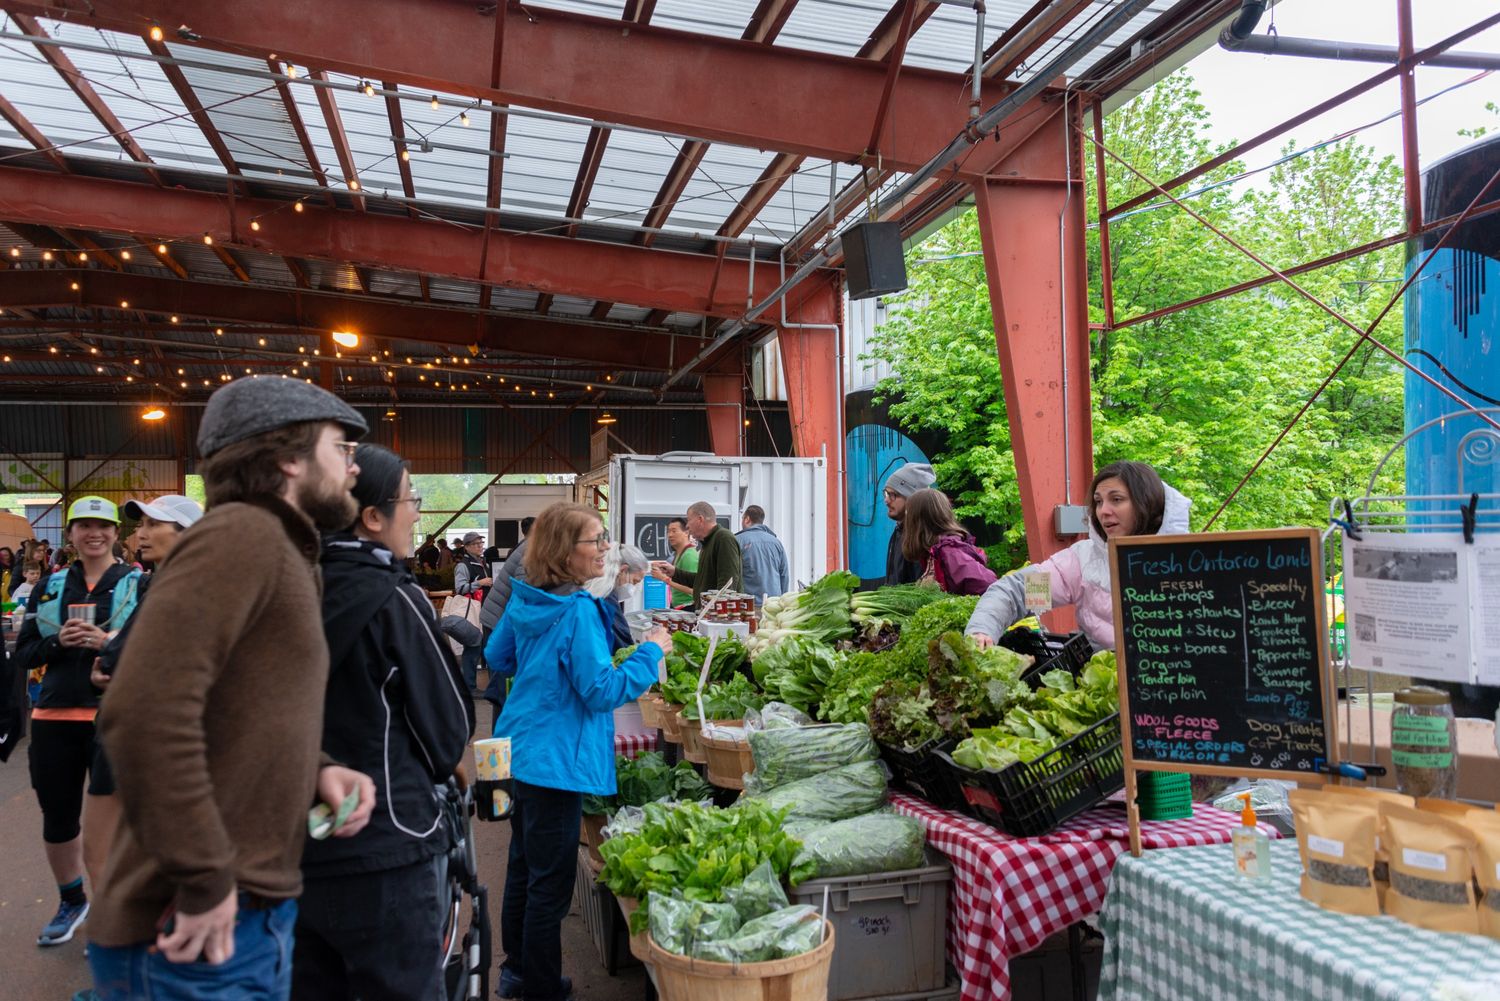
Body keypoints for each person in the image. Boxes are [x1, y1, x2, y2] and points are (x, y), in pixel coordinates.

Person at [86, 377, 377, 1001]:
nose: (353, 469)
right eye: (340, 448)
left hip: (242, 918)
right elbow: (141, 711)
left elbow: (239, 707)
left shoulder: (280, 548)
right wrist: (204, 878)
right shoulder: (242, 535)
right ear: (287, 458)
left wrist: (318, 768)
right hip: (195, 934)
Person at [292, 444, 473, 1001]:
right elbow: (447, 733)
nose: (416, 512)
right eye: (410, 499)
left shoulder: (286, 587)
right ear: (374, 517)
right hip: (389, 845)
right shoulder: (393, 598)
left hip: (293, 848)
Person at [485, 503, 670, 1001]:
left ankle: (518, 974)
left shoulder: (527, 598)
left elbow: (497, 656)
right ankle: (542, 989)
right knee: (550, 883)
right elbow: (601, 690)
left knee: (524, 868)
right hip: (556, 760)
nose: (605, 548)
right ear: (567, 552)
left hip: (518, 748)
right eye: (597, 539)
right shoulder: (578, 611)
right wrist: (653, 651)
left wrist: (541, 674)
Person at [13, 496, 143, 949]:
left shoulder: (136, 585)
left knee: (123, 821)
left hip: (115, 716)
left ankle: (116, 912)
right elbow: (24, 652)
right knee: (59, 816)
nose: (95, 533)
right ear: (68, 534)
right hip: (53, 715)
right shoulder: (47, 587)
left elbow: (155, 651)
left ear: (116, 534)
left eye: (103, 526)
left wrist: (109, 641)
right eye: (84, 525)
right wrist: (56, 645)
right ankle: (72, 900)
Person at [966, 461, 1191, 652]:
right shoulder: (1083, 561)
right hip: (1102, 692)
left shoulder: (1192, 560)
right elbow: (1018, 593)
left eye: (1117, 499)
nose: (1103, 511)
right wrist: (982, 631)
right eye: (1099, 501)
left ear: (1147, 503)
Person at [901, 489, 996, 596]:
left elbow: (990, 587)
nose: (905, 517)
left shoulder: (950, 553)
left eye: (908, 512)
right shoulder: (933, 552)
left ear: (919, 519)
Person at [651, 501, 742, 608]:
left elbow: (727, 585)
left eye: (689, 520)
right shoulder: (707, 543)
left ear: (700, 519)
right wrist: (674, 572)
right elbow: (701, 581)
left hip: (718, 618)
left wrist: (716, 617)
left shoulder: (724, 539)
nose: (688, 526)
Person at [586, 543, 649, 650]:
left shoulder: (592, 590)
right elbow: (623, 648)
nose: (633, 587)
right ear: (623, 570)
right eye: (634, 581)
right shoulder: (606, 599)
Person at [479, 516, 535, 635]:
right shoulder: (531, 548)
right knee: (494, 653)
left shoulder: (522, 546)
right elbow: (524, 589)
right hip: (497, 618)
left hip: (498, 615)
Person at [453, 531, 493, 695]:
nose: (480, 546)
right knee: (473, 648)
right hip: (473, 612)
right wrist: (480, 583)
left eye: (481, 543)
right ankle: (468, 687)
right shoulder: (463, 565)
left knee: (483, 647)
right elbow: (460, 588)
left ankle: (479, 686)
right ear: (467, 547)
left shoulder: (483, 563)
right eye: (476, 544)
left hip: (484, 611)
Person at [883, 463, 936, 585]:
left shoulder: (923, 537)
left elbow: (920, 593)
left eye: (892, 495)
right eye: (886, 493)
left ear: (911, 498)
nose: (886, 500)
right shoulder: (899, 531)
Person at [735, 505, 789, 604]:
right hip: (773, 604)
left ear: (747, 519)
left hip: (748, 605)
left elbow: (733, 574)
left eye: (742, 518)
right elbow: (784, 574)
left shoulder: (738, 540)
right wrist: (782, 601)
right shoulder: (776, 542)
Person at [664, 516, 697, 610]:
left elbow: (694, 591)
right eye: (668, 531)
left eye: (674, 531)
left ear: (686, 532)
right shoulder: (679, 553)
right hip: (678, 607)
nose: (670, 535)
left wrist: (665, 579)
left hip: (687, 608)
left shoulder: (689, 556)